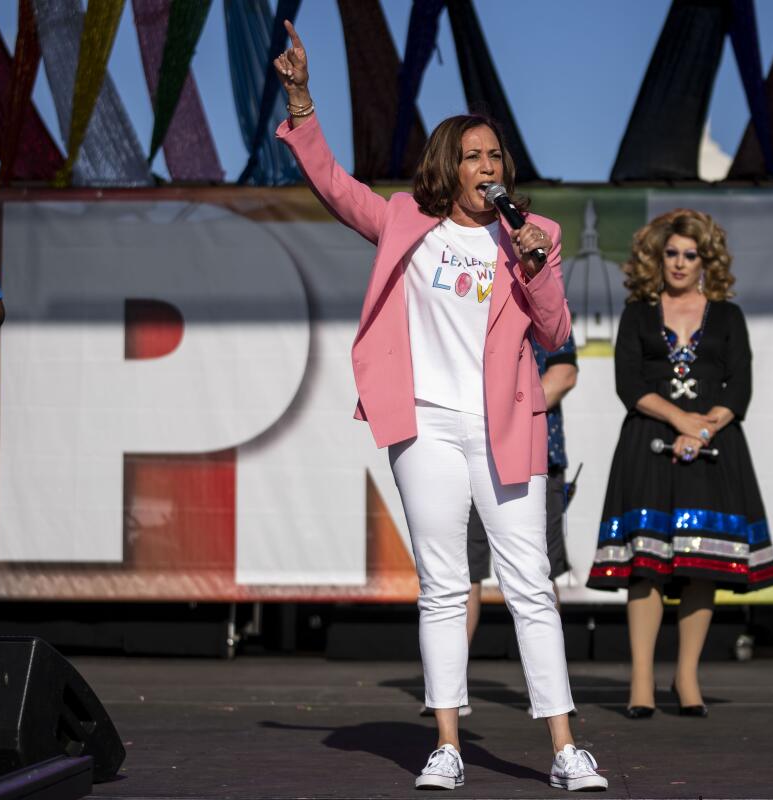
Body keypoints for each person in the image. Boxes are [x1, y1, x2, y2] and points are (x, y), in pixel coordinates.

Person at [273, 23, 606, 793]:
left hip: (505, 426)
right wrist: (301, 99)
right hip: (424, 421)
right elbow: (331, 183)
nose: (488, 165)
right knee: (444, 585)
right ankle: (447, 744)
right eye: (474, 155)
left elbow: (554, 331)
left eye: (496, 156)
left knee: (529, 584)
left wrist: (534, 267)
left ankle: (564, 750)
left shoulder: (536, 236)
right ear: (448, 166)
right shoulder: (405, 223)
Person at [586, 209, 773, 719]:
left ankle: (687, 676)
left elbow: (740, 387)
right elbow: (630, 385)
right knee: (645, 568)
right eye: (670, 253)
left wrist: (705, 428)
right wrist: (681, 422)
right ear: (657, 257)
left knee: (701, 565)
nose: (679, 263)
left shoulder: (729, 316)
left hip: (715, 450)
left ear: (705, 260)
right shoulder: (637, 313)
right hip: (648, 444)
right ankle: (643, 680)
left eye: (689, 255)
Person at [425, 334, 578, 719]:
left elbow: (563, 373)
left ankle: (549, 694)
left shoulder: (536, 287)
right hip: (464, 449)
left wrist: (506, 411)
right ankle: (450, 691)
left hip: (528, 449)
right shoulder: (461, 298)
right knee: (460, 574)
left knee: (536, 576)